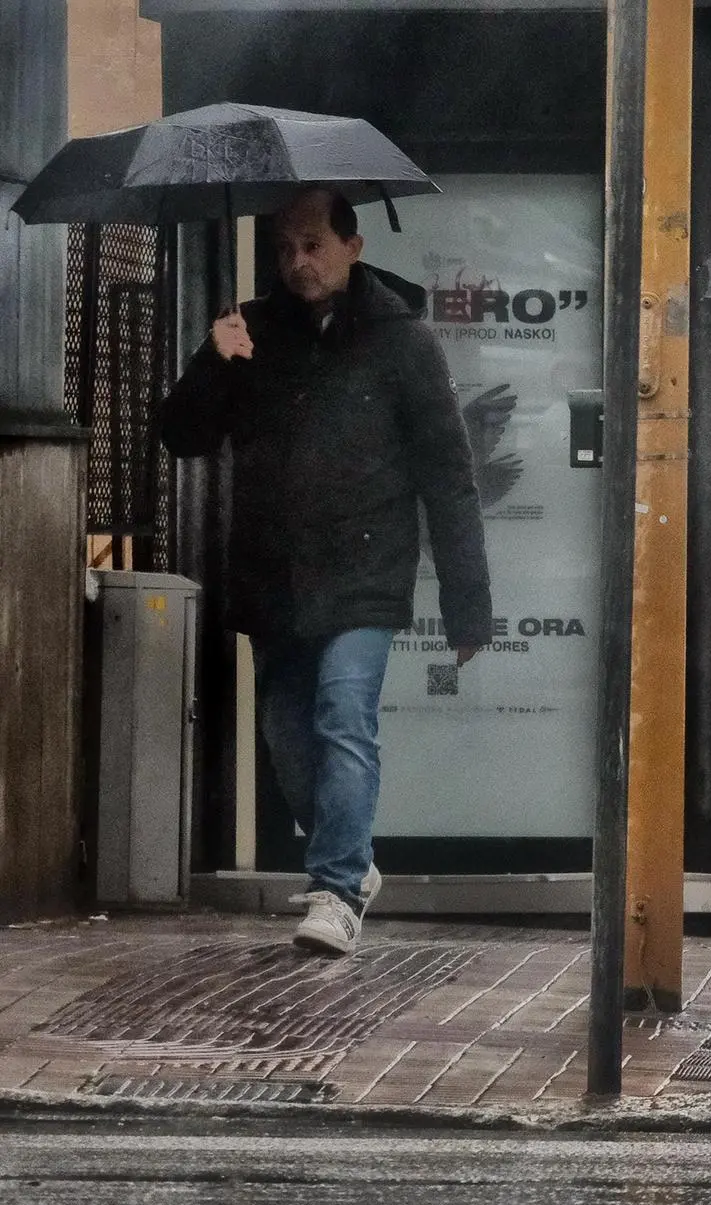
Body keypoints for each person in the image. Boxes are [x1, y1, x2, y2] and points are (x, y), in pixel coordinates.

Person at [161, 187, 493, 957]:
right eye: (284, 248)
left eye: (312, 244)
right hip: (274, 574)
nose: (297, 262)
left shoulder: (403, 342)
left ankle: (337, 889)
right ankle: (352, 858)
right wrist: (215, 362)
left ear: (354, 246)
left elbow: (449, 476)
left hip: (365, 571)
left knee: (345, 716)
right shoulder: (249, 331)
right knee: (286, 738)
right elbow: (182, 437)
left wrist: (467, 607)